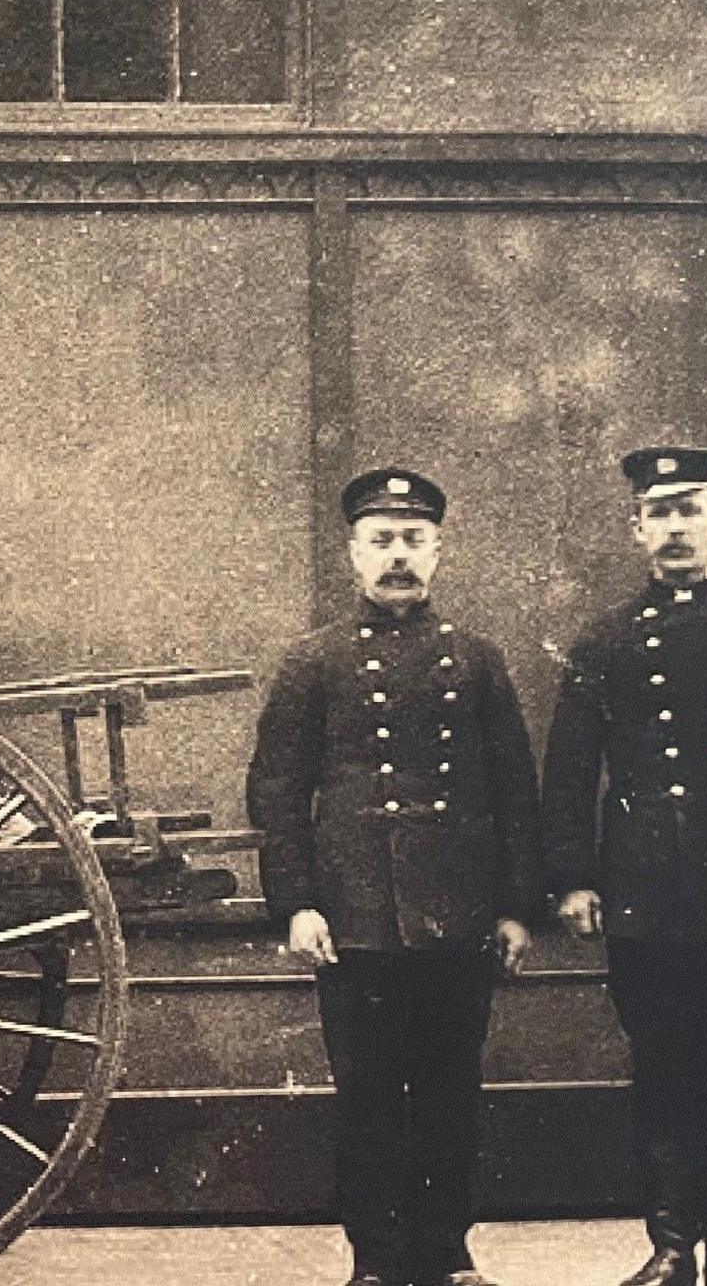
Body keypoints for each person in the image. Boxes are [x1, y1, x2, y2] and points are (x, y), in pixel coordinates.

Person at [248, 466, 542, 1286]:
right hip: (357, 916)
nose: (398, 557)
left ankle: (448, 1252)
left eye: (414, 541)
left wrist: (518, 908)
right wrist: (297, 904)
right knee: (370, 1098)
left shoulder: (477, 660)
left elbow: (515, 788)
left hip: (459, 912)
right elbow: (275, 790)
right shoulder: (315, 661)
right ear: (353, 554)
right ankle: (376, 1260)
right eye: (382, 542)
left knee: (451, 1092)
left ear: (439, 552)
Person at [544, 445, 707, 1286]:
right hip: (644, 888)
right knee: (663, 1061)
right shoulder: (604, 642)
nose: (676, 528)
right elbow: (568, 773)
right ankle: (671, 1245)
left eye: (691, 510)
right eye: (659, 513)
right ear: (636, 529)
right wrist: (572, 877)